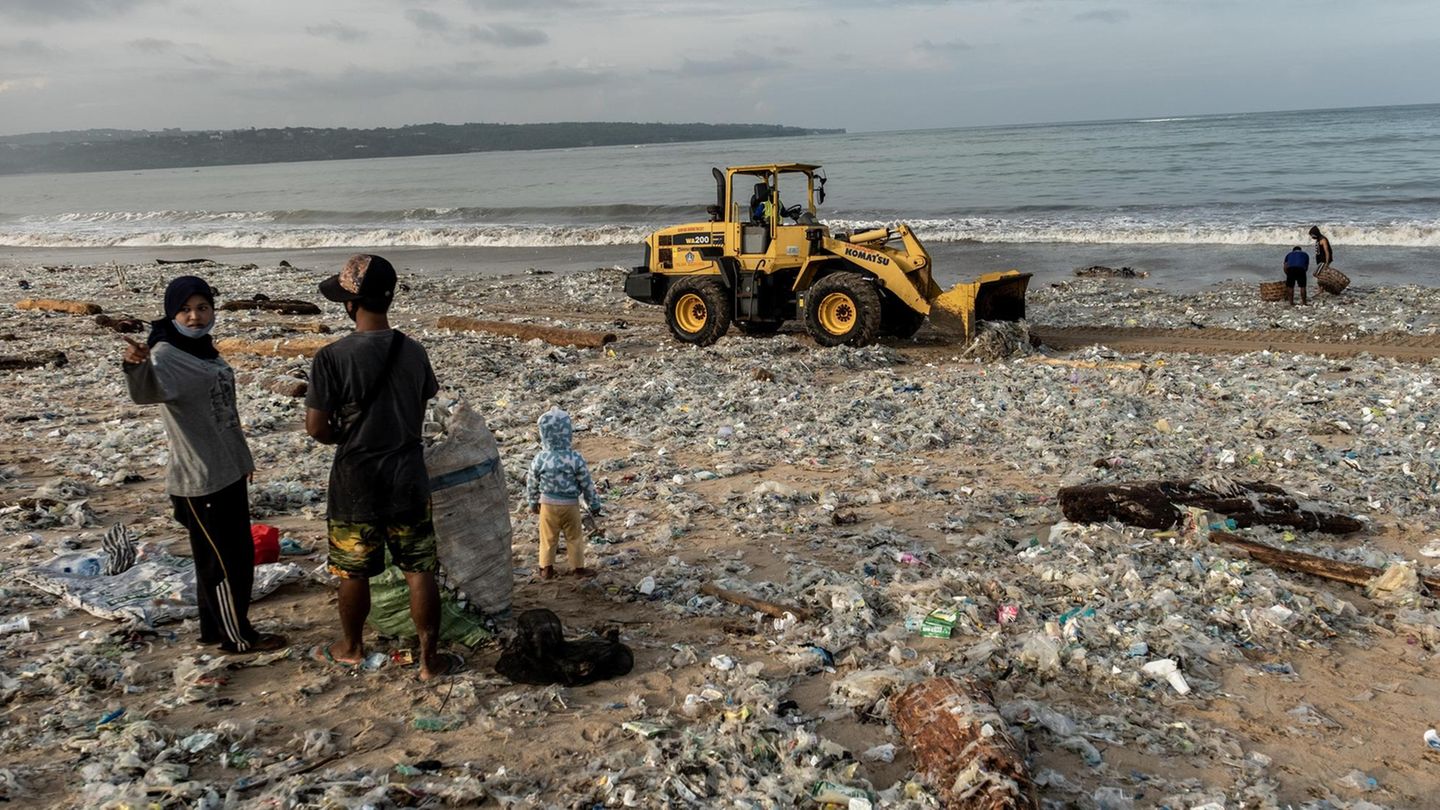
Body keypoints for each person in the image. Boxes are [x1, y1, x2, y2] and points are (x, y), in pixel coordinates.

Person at [304, 254, 458, 680]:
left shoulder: (331, 357)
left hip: (355, 479)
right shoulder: (412, 351)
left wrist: (345, 435)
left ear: (352, 305)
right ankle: (430, 660)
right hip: (407, 476)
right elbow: (421, 402)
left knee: (353, 572)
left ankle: (351, 647)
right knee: (419, 568)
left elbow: (316, 427)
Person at [122, 276, 286, 654]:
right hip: (200, 479)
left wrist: (243, 460)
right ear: (171, 313)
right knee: (227, 565)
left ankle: (214, 629)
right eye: (185, 309)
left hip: (226, 470)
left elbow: (226, 413)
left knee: (224, 558)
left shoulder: (203, 351)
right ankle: (237, 637)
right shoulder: (166, 355)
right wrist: (135, 366)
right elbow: (146, 391)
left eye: (203, 308)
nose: (195, 317)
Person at [524, 406, 602, 580]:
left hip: (547, 506)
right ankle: (578, 569)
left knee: (547, 538)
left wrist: (532, 502)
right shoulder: (575, 458)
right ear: (568, 433)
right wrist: (594, 504)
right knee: (574, 537)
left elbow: (531, 482)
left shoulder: (540, 458)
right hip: (570, 506)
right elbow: (586, 483)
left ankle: (546, 569)